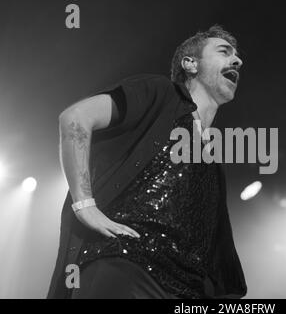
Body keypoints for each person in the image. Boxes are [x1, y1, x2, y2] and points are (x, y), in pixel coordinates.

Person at [47, 25, 247, 299]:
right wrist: (84, 204)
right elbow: (75, 118)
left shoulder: (212, 159)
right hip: (128, 267)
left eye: (237, 56)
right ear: (190, 64)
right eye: (225, 52)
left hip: (185, 290)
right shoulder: (160, 93)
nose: (238, 60)